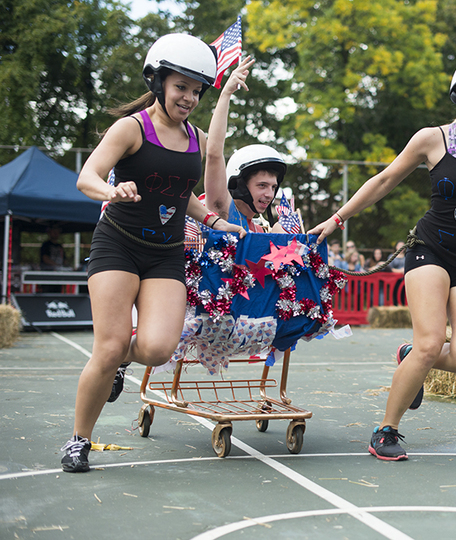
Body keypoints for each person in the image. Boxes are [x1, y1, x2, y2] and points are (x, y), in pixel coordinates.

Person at [308, 53, 456, 461]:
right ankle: (385, 430)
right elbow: (385, 179)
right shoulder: (433, 139)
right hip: (430, 250)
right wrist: (337, 219)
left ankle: (410, 359)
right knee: (430, 343)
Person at [61, 34, 246, 473]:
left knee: (159, 348)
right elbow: (87, 177)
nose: (189, 97)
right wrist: (113, 189)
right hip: (118, 244)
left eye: (197, 90)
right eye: (181, 86)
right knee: (107, 348)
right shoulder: (131, 128)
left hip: (166, 253)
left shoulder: (197, 138)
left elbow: (183, 196)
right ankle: (79, 440)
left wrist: (216, 221)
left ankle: (124, 360)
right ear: (159, 81)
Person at [203, 56, 288, 233]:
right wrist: (226, 93)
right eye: (262, 185)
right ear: (239, 185)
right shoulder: (223, 213)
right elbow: (214, 153)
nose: (270, 194)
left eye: (273, 187)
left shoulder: (262, 231)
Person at [40, 226, 67, 292]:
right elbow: (45, 258)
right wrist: (55, 265)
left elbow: (64, 259)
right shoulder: (46, 245)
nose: (56, 234)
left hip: (59, 274)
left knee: (58, 291)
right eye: (54, 232)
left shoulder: (59, 246)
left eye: (57, 232)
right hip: (48, 274)